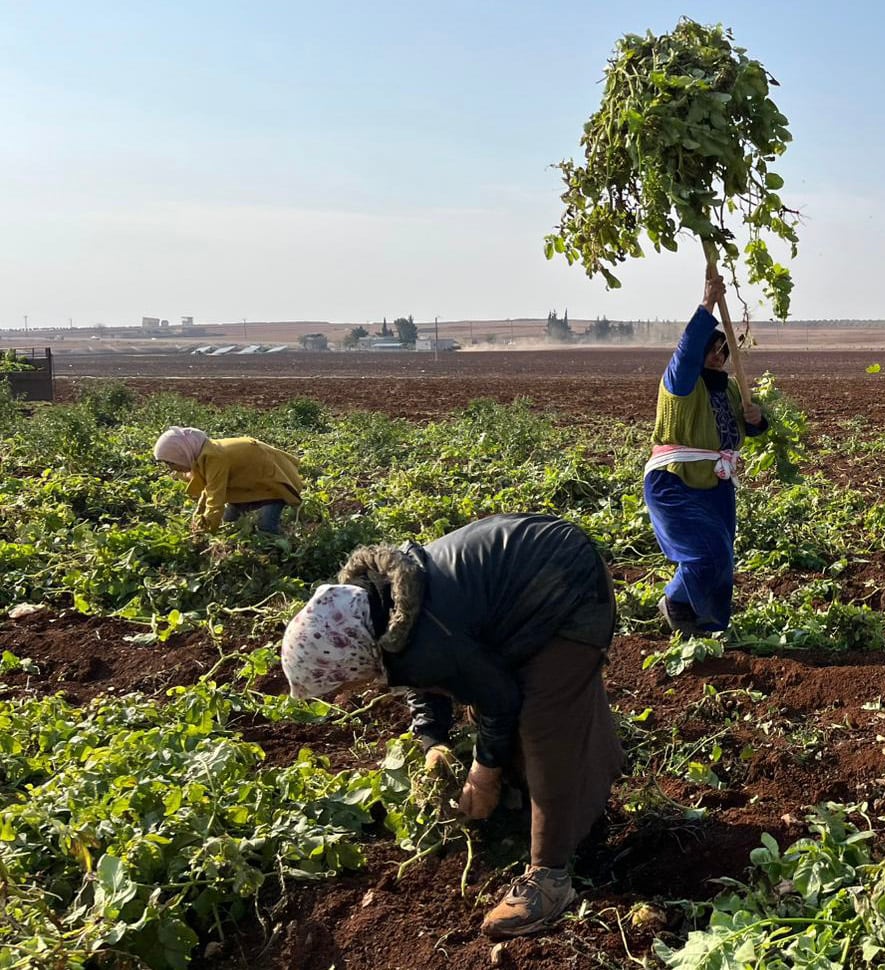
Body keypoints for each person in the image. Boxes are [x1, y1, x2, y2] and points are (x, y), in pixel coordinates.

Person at [279, 513, 624, 939]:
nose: (349, 690)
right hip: (537, 574)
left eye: (340, 683)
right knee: (503, 712)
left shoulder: (421, 633)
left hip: (566, 586)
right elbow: (420, 670)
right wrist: (432, 741)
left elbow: (497, 696)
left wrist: (485, 773)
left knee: (543, 727)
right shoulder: (384, 607)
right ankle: (572, 800)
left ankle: (549, 880)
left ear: (344, 656)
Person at [644, 270, 768, 635]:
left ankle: (706, 623)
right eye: (710, 349)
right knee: (706, 553)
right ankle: (676, 601)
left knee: (723, 559)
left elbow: (750, 430)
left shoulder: (730, 390)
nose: (717, 355)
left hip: (716, 487)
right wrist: (708, 303)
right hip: (676, 482)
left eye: (722, 350)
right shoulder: (680, 384)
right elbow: (685, 354)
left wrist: (757, 419)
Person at [152, 426, 304, 533]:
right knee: (230, 522)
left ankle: (280, 557)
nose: (171, 468)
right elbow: (207, 491)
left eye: (171, 462)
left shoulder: (213, 458)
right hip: (246, 486)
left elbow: (215, 498)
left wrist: (204, 531)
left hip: (270, 483)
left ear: (182, 453)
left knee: (266, 528)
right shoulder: (200, 457)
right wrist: (198, 518)